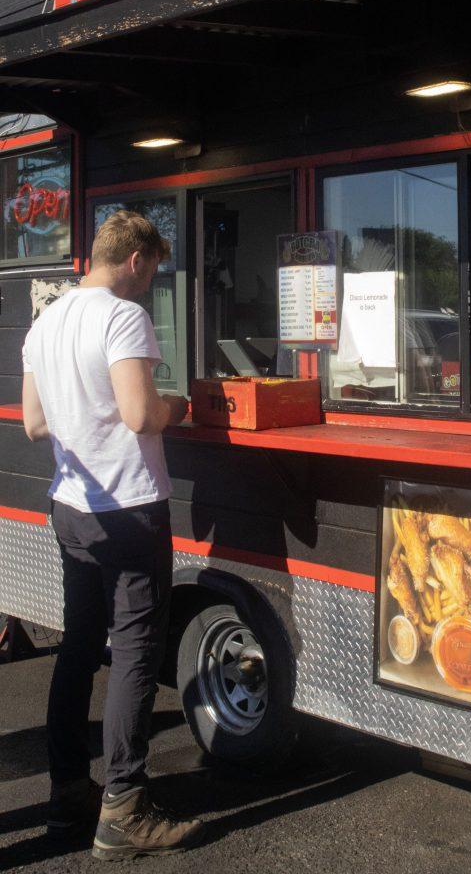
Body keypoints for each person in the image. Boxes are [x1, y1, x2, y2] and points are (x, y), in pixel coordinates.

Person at [21, 211, 204, 859]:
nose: (152, 282)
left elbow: (34, 424)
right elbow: (140, 413)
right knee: (132, 652)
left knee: (77, 646)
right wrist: (182, 405)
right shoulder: (122, 316)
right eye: (153, 269)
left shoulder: (47, 320)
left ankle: (69, 786)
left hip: (70, 506)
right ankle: (124, 805)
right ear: (135, 260)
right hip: (127, 511)